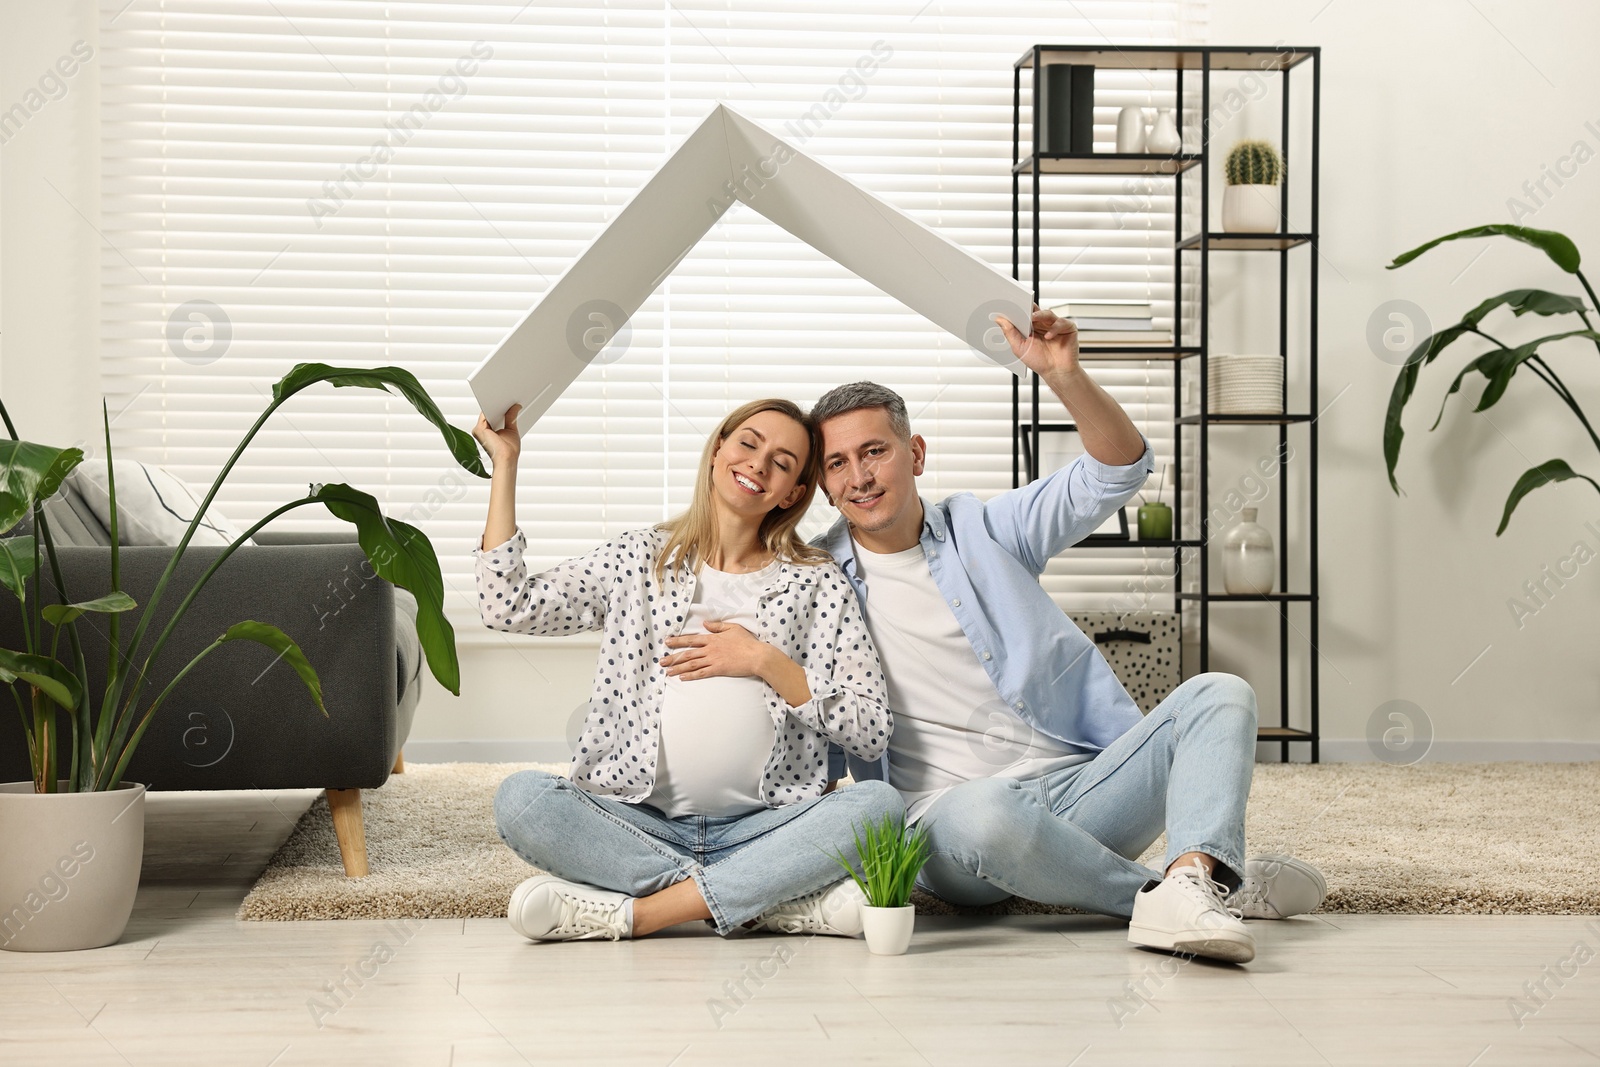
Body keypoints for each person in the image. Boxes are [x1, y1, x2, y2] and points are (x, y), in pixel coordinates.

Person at [808, 307, 1326, 965]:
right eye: (838, 463)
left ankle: (1192, 878)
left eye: (874, 451)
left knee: (1220, 692)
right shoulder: (815, 580)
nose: (859, 476)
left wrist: (1066, 375)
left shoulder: (986, 527)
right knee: (986, 812)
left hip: (1082, 788)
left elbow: (1117, 472)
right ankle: (1194, 886)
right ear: (824, 483)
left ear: (914, 453)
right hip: (952, 825)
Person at [472, 397, 902, 943]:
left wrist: (764, 661)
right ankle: (762, 900)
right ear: (719, 447)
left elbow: (871, 732)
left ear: (793, 492)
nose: (758, 464)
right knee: (523, 800)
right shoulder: (637, 559)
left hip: (766, 828)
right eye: (748, 443)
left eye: (784, 462)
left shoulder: (817, 582)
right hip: (639, 822)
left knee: (878, 808)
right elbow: (506, 605)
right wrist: (505, 463)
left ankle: (645, 913)